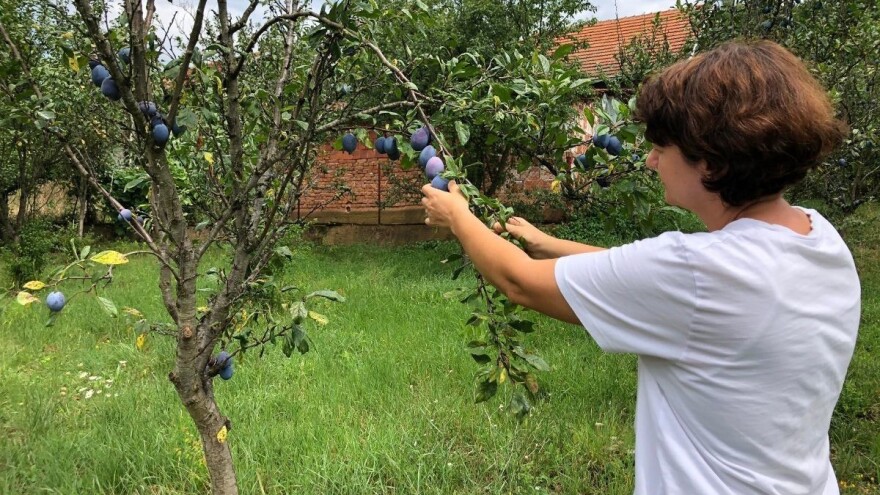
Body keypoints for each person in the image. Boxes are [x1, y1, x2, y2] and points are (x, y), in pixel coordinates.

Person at [421, 40, 861, 495]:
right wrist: (545, 242)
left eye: (662, 148)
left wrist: (458, 216)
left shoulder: (694, 272)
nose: (651, 160)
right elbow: (651, 280)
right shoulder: (819, 238)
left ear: (711, 161)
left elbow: (518, 282)